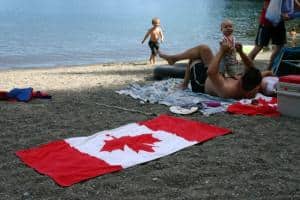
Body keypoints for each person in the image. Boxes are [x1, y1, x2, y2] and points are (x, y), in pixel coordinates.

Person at [159, 41, 263, 99]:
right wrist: (240, 52)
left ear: (241, 80)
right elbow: (250, 66)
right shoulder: (253, 86)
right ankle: (174, 59)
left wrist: (221, 51)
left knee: (194, 58)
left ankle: (184, 84)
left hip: (202, 82)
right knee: (204, 48)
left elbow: (211, 72)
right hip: (215, 76)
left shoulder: (227, 89)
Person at [248, 0, 291, 70]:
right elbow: (266, 6)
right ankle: (246, 71)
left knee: (280, 46)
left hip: (279, 23)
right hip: (266, 23)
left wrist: (289, 15)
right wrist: (281, 14)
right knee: (258, 47)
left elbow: (292, 5)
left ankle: (269, 69)